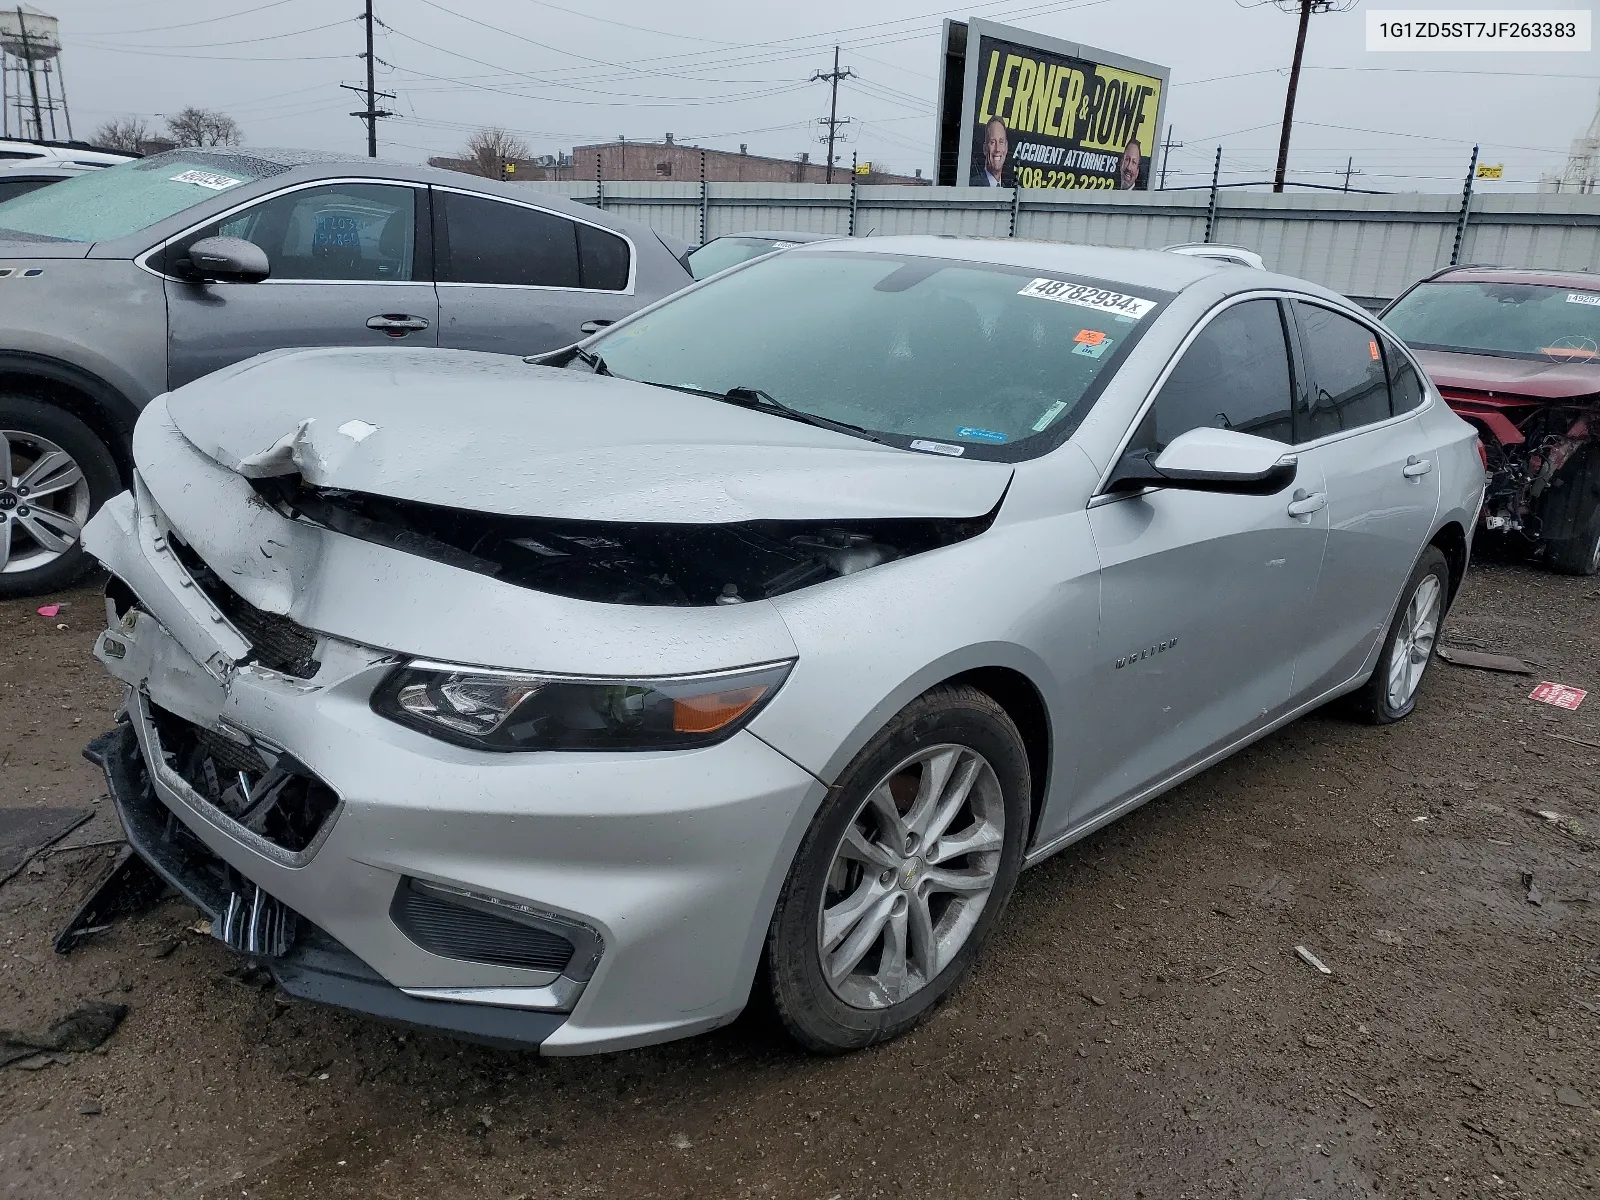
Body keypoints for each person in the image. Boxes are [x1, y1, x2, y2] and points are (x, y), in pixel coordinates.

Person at [970, 117, 1011, 188]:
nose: (997, 149)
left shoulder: (1010, 191)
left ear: (1006, 148)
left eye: (1001, 142)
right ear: (985, 148)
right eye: (992, 142)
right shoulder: (973, 187)